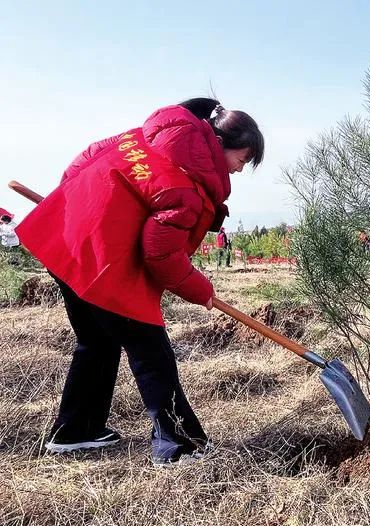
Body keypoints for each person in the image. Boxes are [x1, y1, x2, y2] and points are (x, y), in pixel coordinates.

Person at [16, 98, 265, 466]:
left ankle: (76, 430)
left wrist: (83, 210)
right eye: (242, 160)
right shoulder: (186, 188)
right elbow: (160, 255)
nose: (239, 171)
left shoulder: (142, 138)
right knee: (151, 350)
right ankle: (180, 446)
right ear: (218, 144)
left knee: (97, 341)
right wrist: (202, 291)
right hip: (103, 265)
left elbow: (84, 160)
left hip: (66, 246)